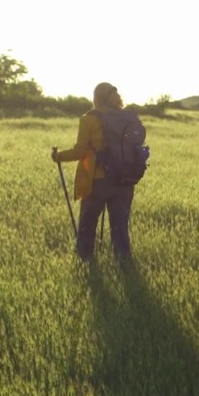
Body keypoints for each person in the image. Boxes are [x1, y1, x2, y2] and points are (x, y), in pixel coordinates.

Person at [52, 82, 136, 263]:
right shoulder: (128, 118)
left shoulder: (89, 119)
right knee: (120, 230)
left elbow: (79, 151)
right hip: (125, 181)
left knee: (87, 227)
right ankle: (125, 268)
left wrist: (58, 156)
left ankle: (86, 266)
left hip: (98, 181)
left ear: (96, 98)